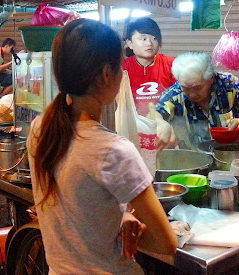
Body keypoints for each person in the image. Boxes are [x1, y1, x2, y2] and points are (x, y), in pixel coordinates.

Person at [27, 19, 177, 273]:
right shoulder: (113, 150)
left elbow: (79, 207)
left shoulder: (40, 128)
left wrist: (118, 218)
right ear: (107, 74)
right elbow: (166, 242)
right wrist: (124, 230)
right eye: (120, 67)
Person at [154, 51, 239, 149]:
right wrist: (161, 124)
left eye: (197, 88)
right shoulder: (175, 93)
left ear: (211, 78)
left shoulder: (229, 84)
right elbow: (155, 113)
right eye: (186, 88)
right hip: (194, 160)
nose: (192, 94)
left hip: (231, 154)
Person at [121, 18, 177, 116]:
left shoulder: (172, 64)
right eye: (143, 39)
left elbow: (180, 96)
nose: (149, 43)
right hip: (133, 126)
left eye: (154, 38)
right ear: (130, 43)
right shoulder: (123, 68)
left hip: (166, 124)